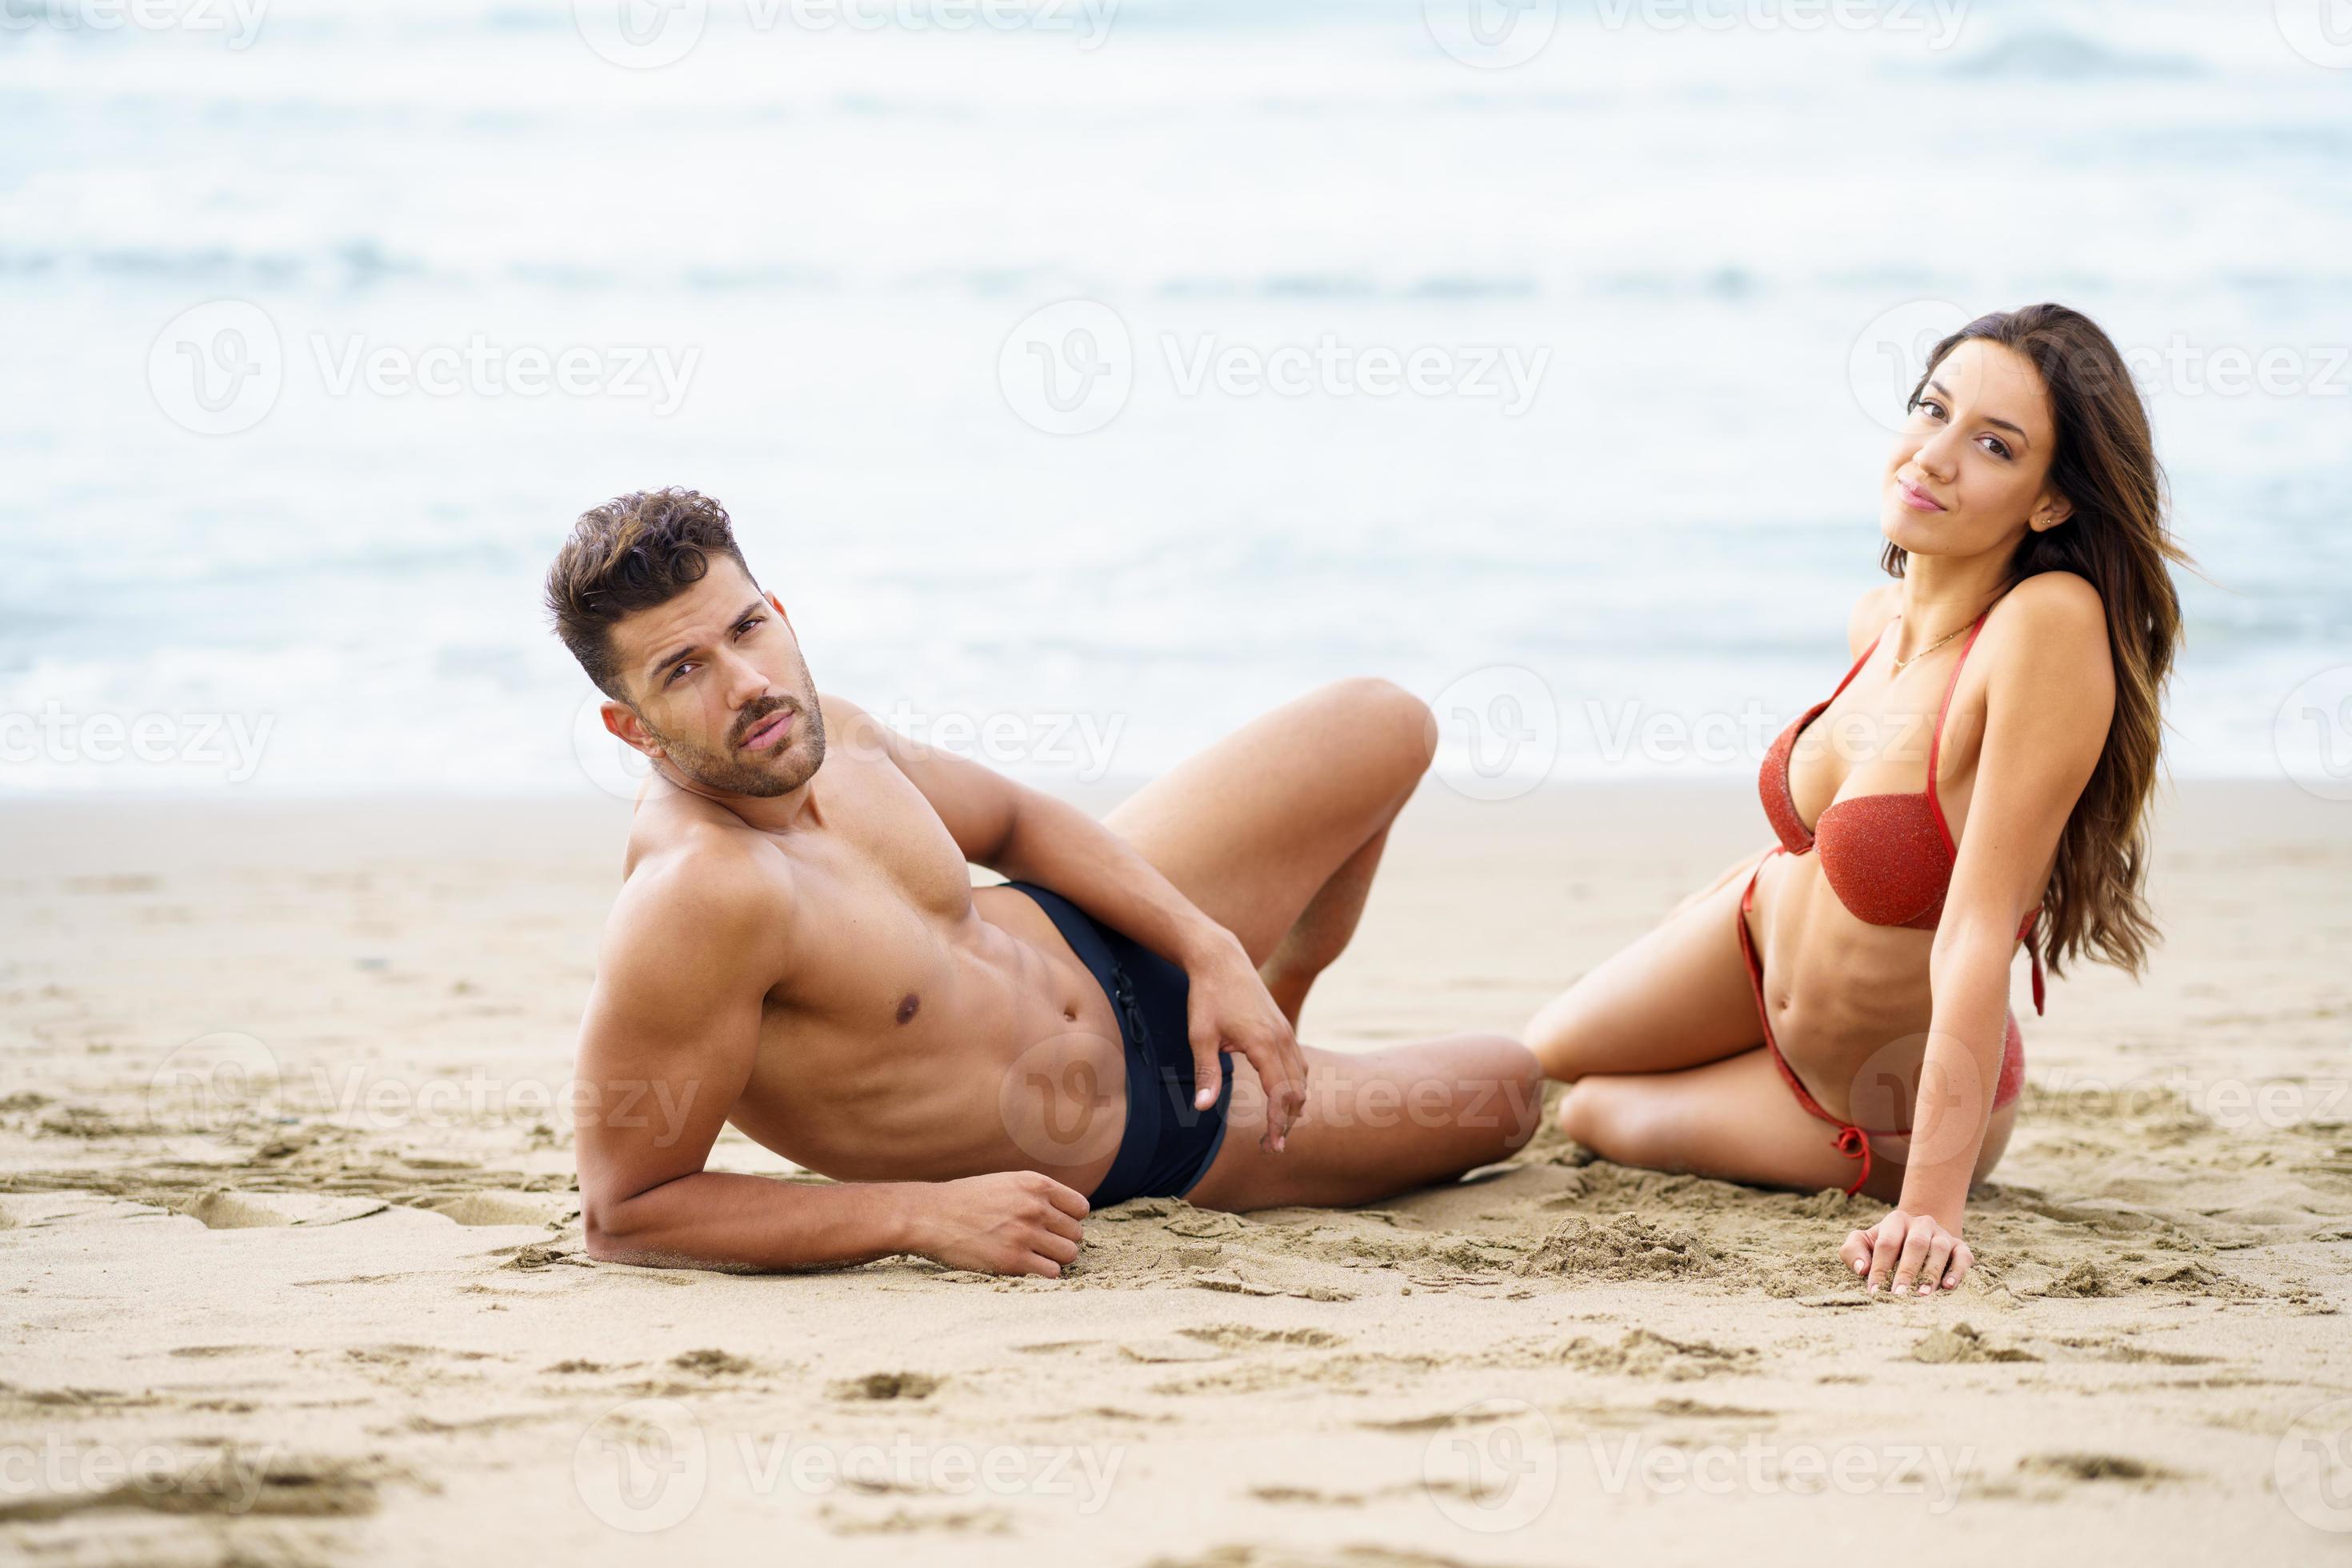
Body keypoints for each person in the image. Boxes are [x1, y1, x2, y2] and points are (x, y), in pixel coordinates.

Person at [546, 490, 1542, 1277]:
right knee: (1510, 1089)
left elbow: (1016, 822)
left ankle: (1275, 1001)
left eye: (748, 629)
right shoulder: (698, 896)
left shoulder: (829, 727)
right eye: (683, 671)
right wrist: (919, 1215)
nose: (746, 682)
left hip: (1100, 938)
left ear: (780, 612)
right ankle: (1270, 1097)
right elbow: (626, 1211)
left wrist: (1208, 947)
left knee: (1382, 720)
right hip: (1152, 1128)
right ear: (630, 727)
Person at [1524, 304, 2186, 1297]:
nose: (1936, 455)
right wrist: (1696, 913)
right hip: (1749, 941)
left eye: (1994, 445)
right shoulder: (1876, 618)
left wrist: (1929, 1204)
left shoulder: (2046, 627)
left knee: (1586, 1114)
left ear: (2050, 503)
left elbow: (1976, 929)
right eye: (1932, 409)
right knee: (1528, 1058)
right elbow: (1818, 840)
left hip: (1865, 1097)